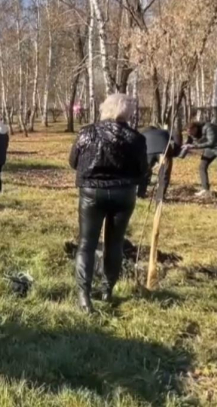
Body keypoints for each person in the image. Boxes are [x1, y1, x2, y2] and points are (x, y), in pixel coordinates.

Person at [69, 93, 147, 314]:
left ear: (105, 109)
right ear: (127, 113)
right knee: (115, 243)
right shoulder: (136, 138)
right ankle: (107, 290)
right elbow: (142, 170)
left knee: (86, 244)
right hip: (124, 194)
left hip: (92, 192)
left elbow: (73, 161)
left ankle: (84, 297)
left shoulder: (87, 132)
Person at [184, 122, 217, 203]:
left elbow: (211, 142)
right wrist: (185, 146)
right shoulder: (192, 133)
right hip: (211, 148)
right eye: (188, 132)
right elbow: (190, 140)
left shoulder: (209, 128)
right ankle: (205, 189)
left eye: (191, 132)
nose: (190, 134)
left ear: (195, 128)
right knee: (202, 166)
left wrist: (195, 146)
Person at [138, 125, 182, 199]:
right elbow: (176, 133)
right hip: (163, 152)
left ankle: (140, 194)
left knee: (145, 173)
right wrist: (176, 151)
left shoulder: (143, 133)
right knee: (164, 173)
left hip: (148, 152)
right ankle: (160, 196)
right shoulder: (164, 131)